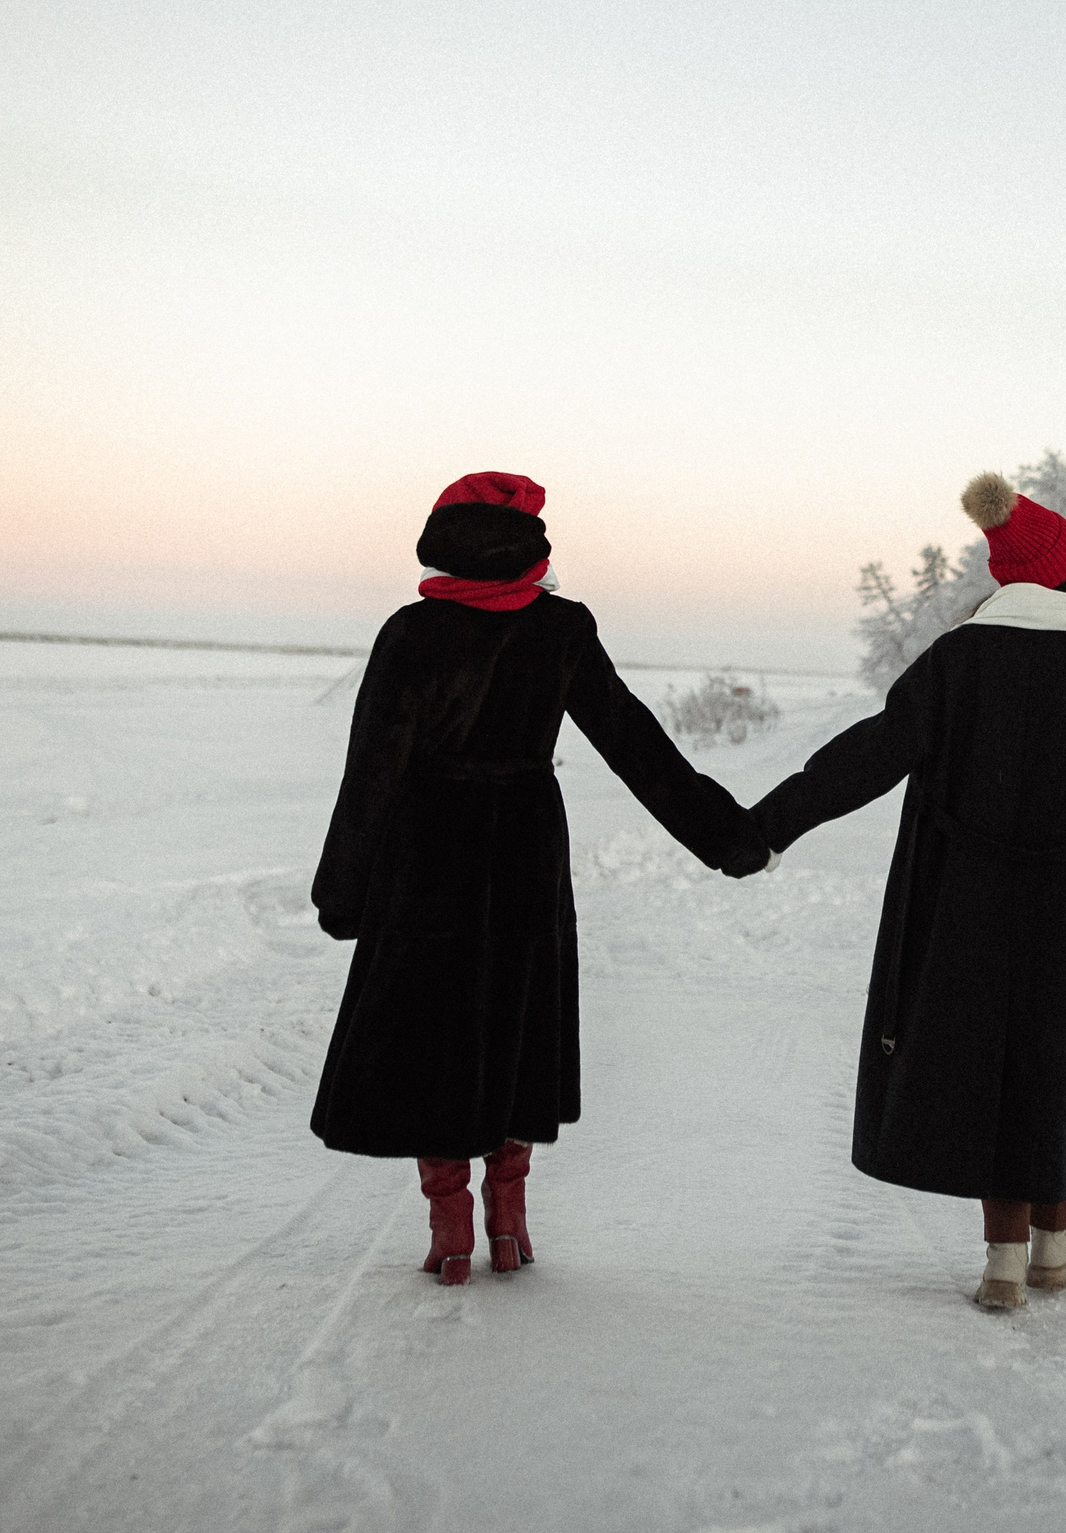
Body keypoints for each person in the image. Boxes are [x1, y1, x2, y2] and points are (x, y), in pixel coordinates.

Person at [752, 472, 1066, 1308]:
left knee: (991, 1069)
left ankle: (1002, 1262)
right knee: (1061, 1066)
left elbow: (871, 753)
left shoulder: (956, 659)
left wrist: (772, 824)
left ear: (1002, 575)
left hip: (967, 912)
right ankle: (1054, 1246)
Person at [310, 471, 768, 1284]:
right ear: (528, 543)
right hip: (523, 845)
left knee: (434, 1030)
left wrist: (344, 890)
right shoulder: (561, 628)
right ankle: (509, 1214)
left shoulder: (411, 631)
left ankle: (450, 1223)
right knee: (518, 1019)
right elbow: (635, 742)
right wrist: (725, 834)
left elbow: (371, 770)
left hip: (427, 851)